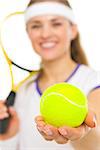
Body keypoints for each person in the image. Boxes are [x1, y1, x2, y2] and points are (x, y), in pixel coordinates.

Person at [0, 0, 100, 149]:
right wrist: (8, 136)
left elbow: (96, 140)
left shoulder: (93, 81)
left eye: (56, 23)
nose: (45, 34)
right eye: (36, 26)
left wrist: (82, 134)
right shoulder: (23, 90)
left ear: (72, 30)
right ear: (28, 33)